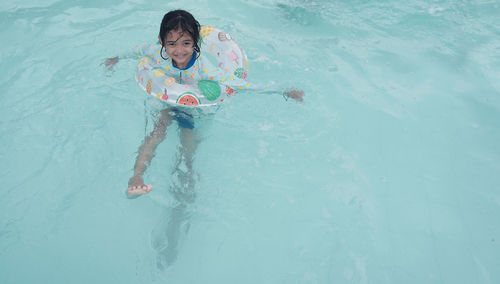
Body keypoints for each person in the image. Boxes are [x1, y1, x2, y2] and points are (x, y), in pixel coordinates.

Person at [105, 9, 304, 199]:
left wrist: (282, 91)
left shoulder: (203, 68)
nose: (180, 50)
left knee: (188, 140)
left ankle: (187, 173)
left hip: (191, 108)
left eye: (186, 43)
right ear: (162, 42)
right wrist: (116, 58)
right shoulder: (156, 52)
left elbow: (238, 84)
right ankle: (137, 177)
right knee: (158, 130)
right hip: (165, 100)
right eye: (172, 43)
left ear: (196, 42)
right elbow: (136, 51)